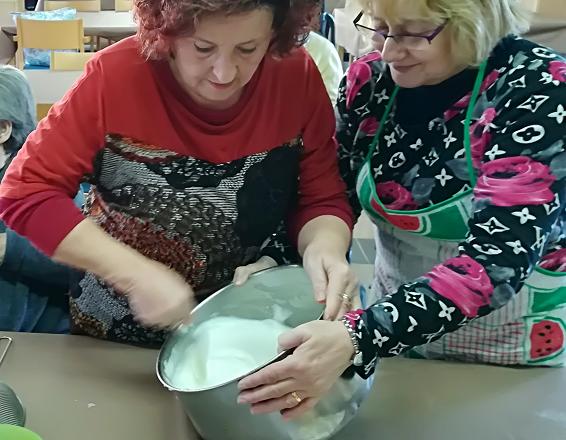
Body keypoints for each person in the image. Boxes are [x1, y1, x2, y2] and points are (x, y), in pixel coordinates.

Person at [237, 0, 566, 420]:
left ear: (476, 22)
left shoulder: (539, 88)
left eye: (412, 33)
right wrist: (281, 256)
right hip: (394, 328)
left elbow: (496, 261)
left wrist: (358, 337)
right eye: (380, 28)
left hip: (508, 346)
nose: (389, 51)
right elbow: (331, 193)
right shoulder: (371, 81)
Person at [0, 0, 359, 346]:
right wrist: (132, 273)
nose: (224, 73)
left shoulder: (296, 76)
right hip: (113, 330)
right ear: (166, 29)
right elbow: (26, 193)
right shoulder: (114, 77)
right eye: (203, 48)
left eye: (248, 49)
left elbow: (320, 196)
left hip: (248, 325)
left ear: (276, 32)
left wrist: (324, 248)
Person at [0, 65, 79, 333]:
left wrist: (7, 248)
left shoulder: (46, 182)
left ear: (3, 129)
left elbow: (81, 266)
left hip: (37, 340)